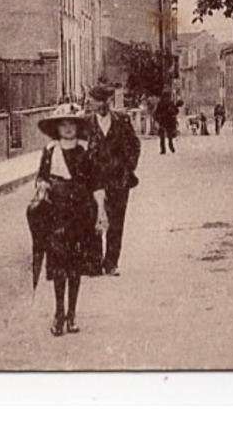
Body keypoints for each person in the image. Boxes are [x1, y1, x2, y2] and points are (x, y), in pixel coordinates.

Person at [31, 102, 107, 336]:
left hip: (80, 214)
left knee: (75, 266)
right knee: (58, 266)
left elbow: (96, 185)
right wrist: (42, 192)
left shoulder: (85, 152)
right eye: (63, 124)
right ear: (57, 128)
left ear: (77, 127)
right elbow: (42, 178)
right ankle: (58, 314)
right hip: (57, 214)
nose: (67, 129)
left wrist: (101, 212)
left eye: (71, 124)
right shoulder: (50, 151)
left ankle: (72, 315)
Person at [86, 82, 142, 277]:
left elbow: (134, 145)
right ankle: (94, 262)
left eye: (93, 101)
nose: (90, 104)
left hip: (119, 181)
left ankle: (111, 263)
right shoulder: (85, 123)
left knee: (116, 222)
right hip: (93, 182)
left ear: (104, 102)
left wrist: (128, 167)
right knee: (94, 219)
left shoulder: (122, 121)